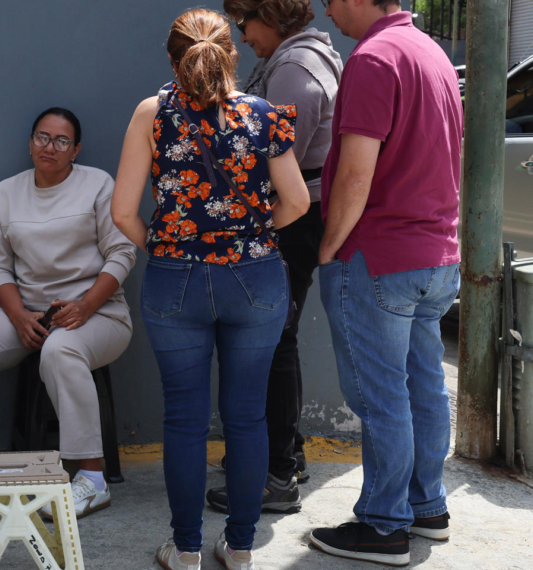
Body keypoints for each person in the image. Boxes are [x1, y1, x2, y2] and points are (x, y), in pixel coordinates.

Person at [111, 9, 311, 570]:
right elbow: (297, 202)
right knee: (247, 418)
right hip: (255, 277)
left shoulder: (152, 113)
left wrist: (165, 246)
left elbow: (122, 212)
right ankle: (240, 548)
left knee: (184, 419)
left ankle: (186, 549)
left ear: (172, 57)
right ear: (232, 54)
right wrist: (251, 236)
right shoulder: (263, 114)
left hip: (175, 278)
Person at [308, 0, 463, 566]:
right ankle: (427, 508)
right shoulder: (431, 52)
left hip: (380, 255)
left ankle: (383, 526)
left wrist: (329, 247)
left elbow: (356, 172)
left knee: (381, 397)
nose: (327, 10)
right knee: (422, 386)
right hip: (435, 254)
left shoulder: (374, 58)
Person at [207, 0, 343, 515]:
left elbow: (274, 163)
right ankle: (285, 455)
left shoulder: (295, 70)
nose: (242, 37)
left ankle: (275, 475)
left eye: (244, 23)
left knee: (271, 337)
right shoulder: (299, 59)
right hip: (295, 215)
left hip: (291, 218)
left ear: (269, 14)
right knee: (275, 334)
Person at [0, 108, 136, 520]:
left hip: (98, 313)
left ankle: (93, 479)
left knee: (60, 350)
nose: (49, 147)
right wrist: (18, 315)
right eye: (42, 137)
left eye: (61, 141)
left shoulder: (97, 184)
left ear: (76, 150)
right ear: (31, 141)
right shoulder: (5, 193)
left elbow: (122, 252)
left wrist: (86, 305)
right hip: (28, 313)